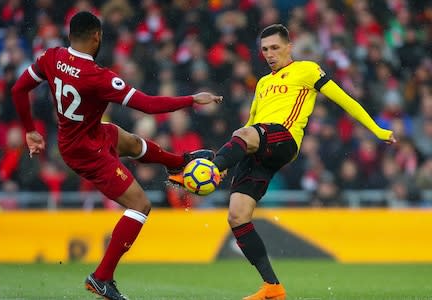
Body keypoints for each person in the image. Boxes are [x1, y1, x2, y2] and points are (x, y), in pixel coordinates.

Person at [169, 24, 396, 300]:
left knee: (240, 136)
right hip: (258, 144)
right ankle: (273, 287)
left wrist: (378, 130)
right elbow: (251, 124)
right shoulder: (263, 83)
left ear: (290, 46)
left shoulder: (307, 70)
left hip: (284, 139)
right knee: (237, 215)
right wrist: (231, 157)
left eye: (275, 47)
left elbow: (344, 100)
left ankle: (207, 169)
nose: (269, 54)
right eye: (264, 49)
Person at [11, 11, 221, 300]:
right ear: (97, 36)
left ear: (71, 34)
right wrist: (192, 99)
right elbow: (147, 105)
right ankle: (101, 277)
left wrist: (30, 130)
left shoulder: (52, 57)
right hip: (86, 151)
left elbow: (19, 88)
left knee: (132, 142)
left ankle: (180, 165)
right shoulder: (98, 77)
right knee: (141, 204)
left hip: (84, 135)